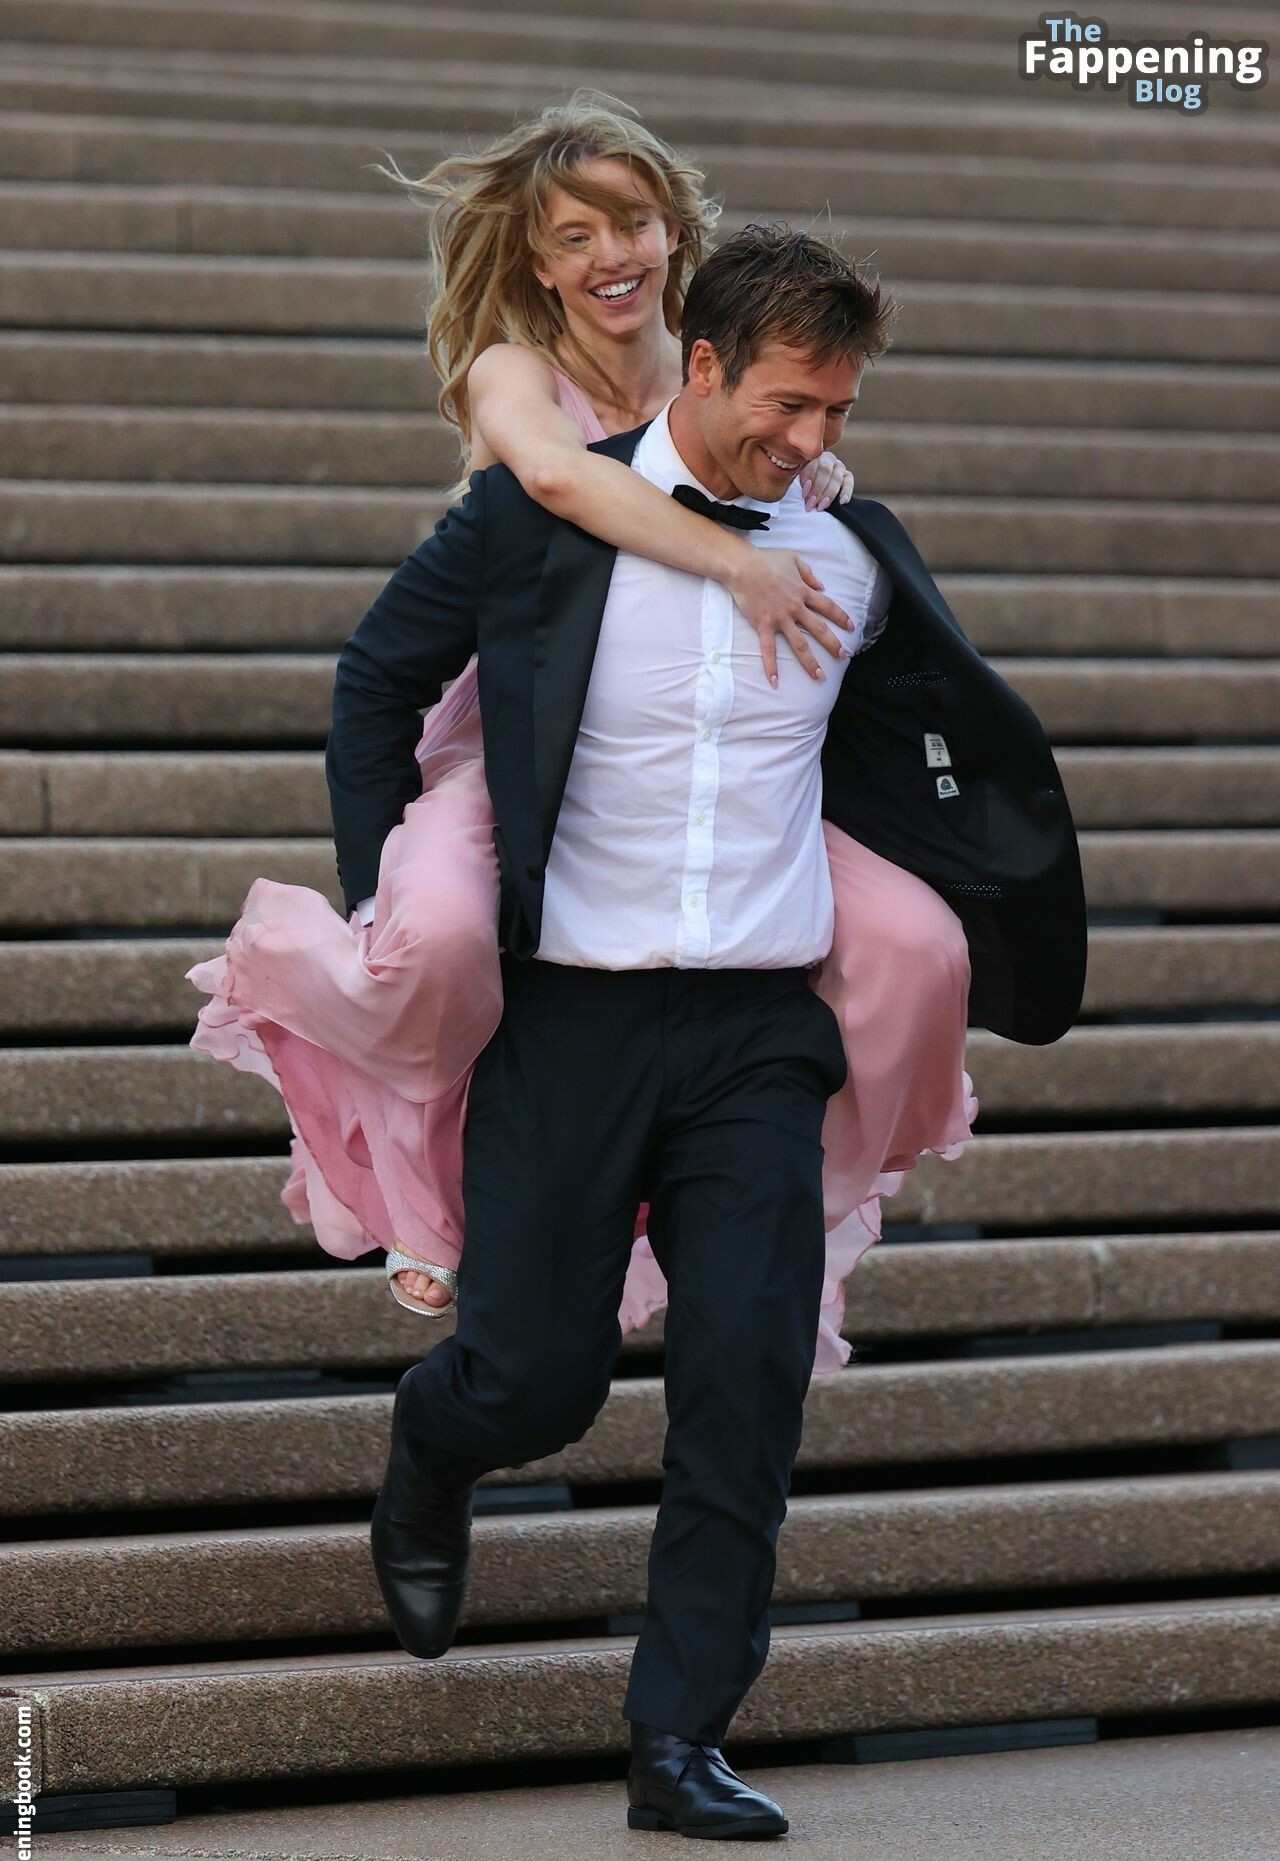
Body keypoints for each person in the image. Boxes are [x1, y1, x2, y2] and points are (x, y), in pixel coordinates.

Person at [322, 222, 1088, 1837]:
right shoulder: (543, 514)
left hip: (757, 1032)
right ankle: (436, 1439)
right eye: (790, 403)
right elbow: (375, 677)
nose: (813, 438)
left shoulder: (852, 558)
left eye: (839, 410)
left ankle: (678, 1739)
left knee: (746, 1373)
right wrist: (392, 893)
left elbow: (937, 741)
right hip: (573, 1020)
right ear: (708, 362)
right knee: (537, 1382)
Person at [185, 92, 978, 1371]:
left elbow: (795, 470)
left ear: (674, 232)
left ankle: (795, 1192)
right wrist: (739, 562)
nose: (610, 256)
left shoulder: (717, 363)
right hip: (525, 737)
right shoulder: (512, 371)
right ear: (537, 260)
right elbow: (557, 478)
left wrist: (799, 474)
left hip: (712, 758)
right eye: (572, 236)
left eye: (633, 224)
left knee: (914, 947)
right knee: (439, 934)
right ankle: (424, 1198)